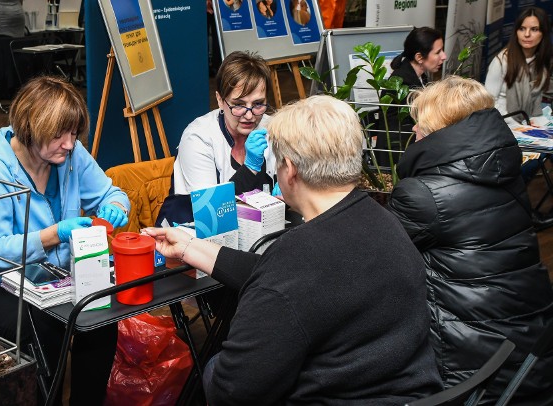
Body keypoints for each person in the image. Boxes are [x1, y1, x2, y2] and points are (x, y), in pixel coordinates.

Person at [144, 95, 443, 404]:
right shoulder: (384, 222)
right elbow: (278, 276)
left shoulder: (296, 260)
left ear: (289, 169)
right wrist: (190, 247)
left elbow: (231, 391)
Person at [0, 76, 130, 405]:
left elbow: (111, 193)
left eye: (73, 133)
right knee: (46, 325)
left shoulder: (69, 153)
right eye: (60, 134)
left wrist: (115, 207)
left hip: (42, 280)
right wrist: (53, 235)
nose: (70, 144)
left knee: (100, 315)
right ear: (31, 129)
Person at [388, 76, 553, 404]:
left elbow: (373, 256)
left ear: (437, 129)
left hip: (473, 370)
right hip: (530, 352)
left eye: (418, 122)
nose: (413, 131)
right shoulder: (503, 170)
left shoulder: (424, 194)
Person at [161, 51, 276, 225]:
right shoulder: (198, 138)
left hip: (250, 230)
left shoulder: (273, 127)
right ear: (220, 100)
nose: (249, 115)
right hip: (189, 233)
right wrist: (250, 167)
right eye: (238, 105)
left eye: (258, 104)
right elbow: (212, 214)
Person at [374, 26, 446, 166]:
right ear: (419, 57)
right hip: (397, 157)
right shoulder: (403, 82)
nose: (444, 56)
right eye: (438, 52)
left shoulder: (420, 77)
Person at [485, 6, 552, 120]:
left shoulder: (542, 60)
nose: (526, 34)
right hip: (504, 123)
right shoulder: (501, 62)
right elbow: (488, 103)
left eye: (534, 29)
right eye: (522, 28)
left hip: (530, 120)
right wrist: (514, 124)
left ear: (543, 33)